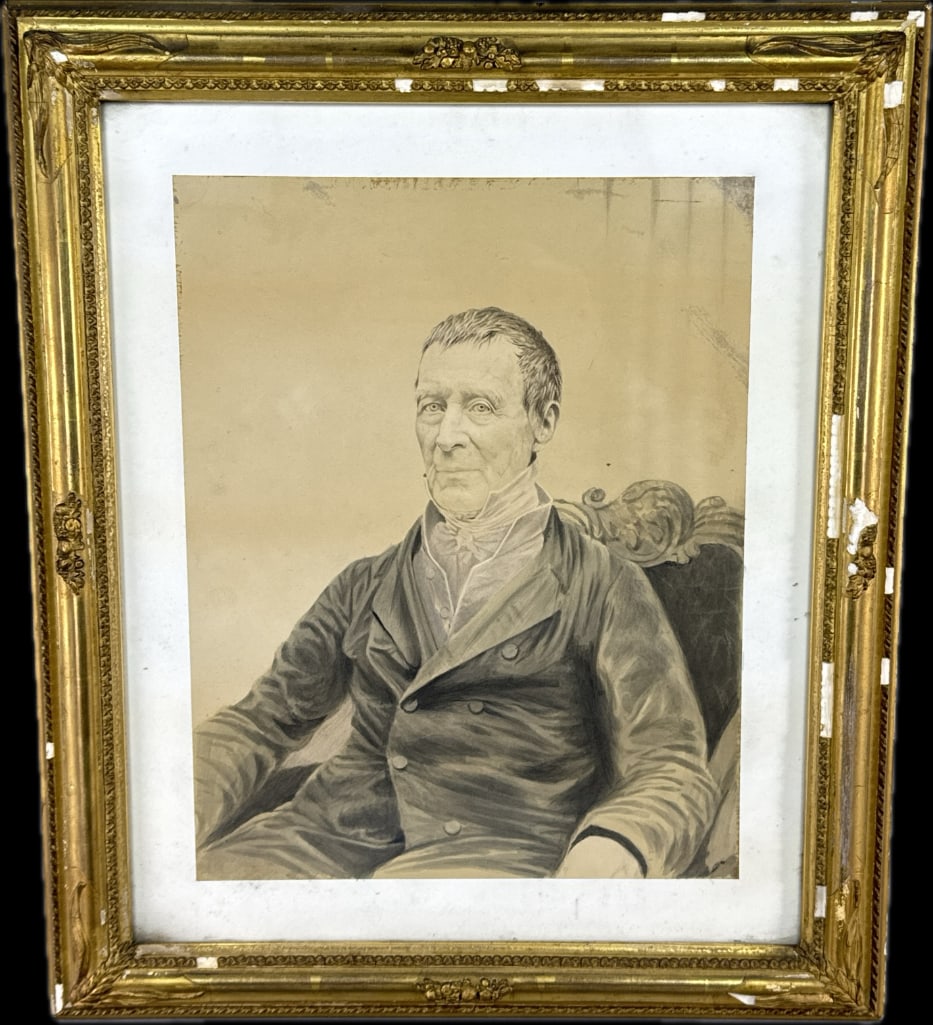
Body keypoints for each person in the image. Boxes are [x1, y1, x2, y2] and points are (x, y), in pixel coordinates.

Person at [194, 307, 718, 880]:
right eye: (432, 406)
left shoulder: (603, 584)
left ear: (542, 421)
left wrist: (615, 844)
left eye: (480, 407)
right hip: (317, 840)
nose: (446, 437)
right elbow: (261, 720)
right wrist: (172, 805)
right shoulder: (365, 582)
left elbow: (670, 765)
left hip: (494, 859)